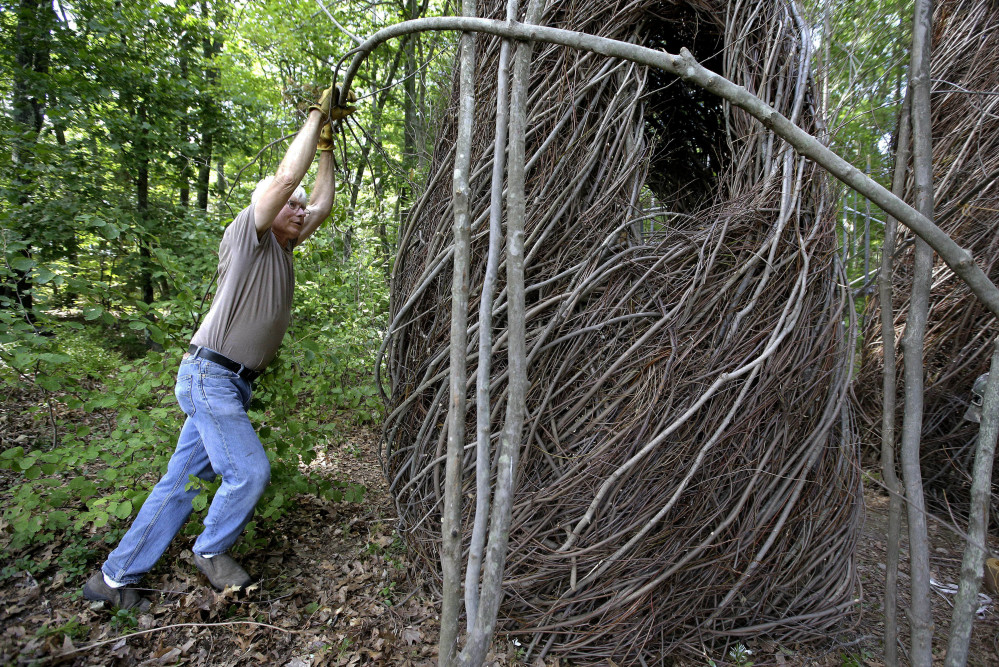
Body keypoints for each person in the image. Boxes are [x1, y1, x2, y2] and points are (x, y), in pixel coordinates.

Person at [81, 86, 357, 609]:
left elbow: (322, 201)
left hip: (229, 383)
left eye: (299, 209)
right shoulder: (247, 236)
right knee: (249, 472)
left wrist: (326, 143)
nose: (299, 211)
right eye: (289, 207)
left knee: (180, 483)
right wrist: (316, 114)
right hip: (211, 378)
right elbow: (284, 181)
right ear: (267, 207)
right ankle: (210, 552)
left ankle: (113, 580)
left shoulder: (284, 246)